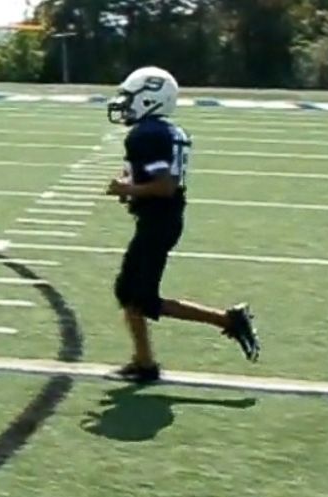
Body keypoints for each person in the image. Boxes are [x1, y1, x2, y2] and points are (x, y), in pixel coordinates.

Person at [105, 66, 260, 383]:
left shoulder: (146, 134)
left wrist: (126, 189)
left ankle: (228, 320)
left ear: (149, 99)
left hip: (159, 220)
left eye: (130, 97)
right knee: (128, 291)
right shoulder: (163, 131)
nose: (124, 104)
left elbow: (165, 186)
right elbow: (159, 180)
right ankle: (143, 361)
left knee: (142, 297)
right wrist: (132, 187)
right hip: (161, 218)